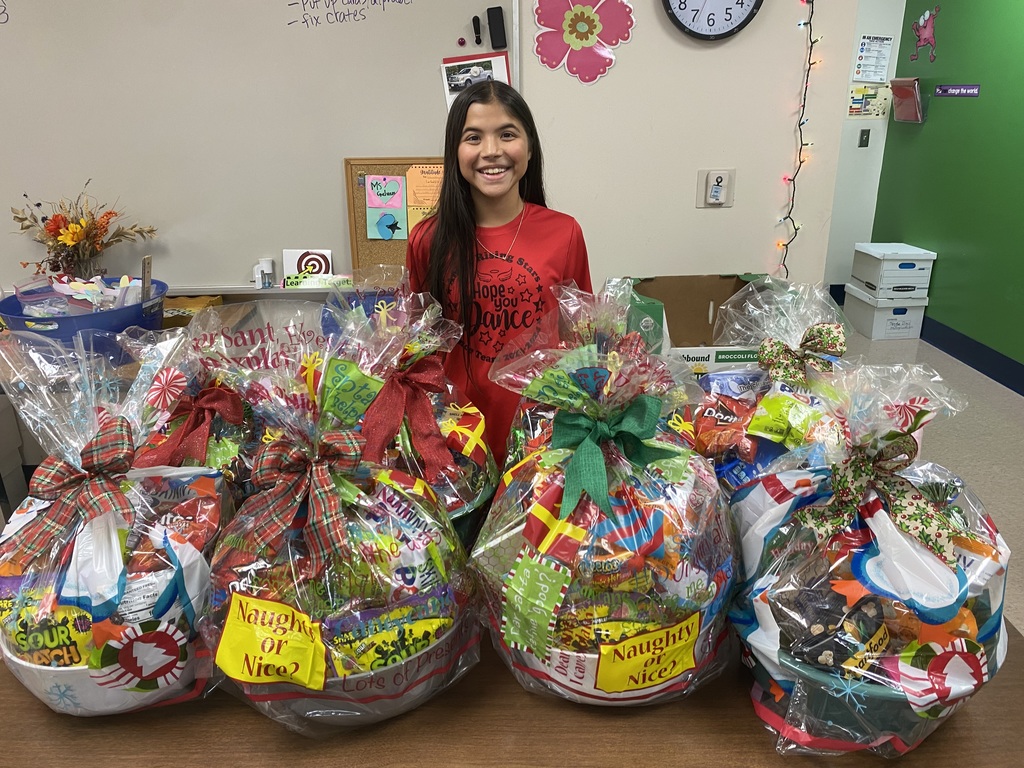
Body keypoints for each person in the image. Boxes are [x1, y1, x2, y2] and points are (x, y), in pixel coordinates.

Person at [407, 81, 593, 468]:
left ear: (528, 147)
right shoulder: (427, 240)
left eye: (507, 134)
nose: (491, 151)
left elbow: (583, 342)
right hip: (455, 444)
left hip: (543, 441)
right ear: (455, 152)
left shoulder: (565, 232)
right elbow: (417, 353)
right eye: (473, 137)